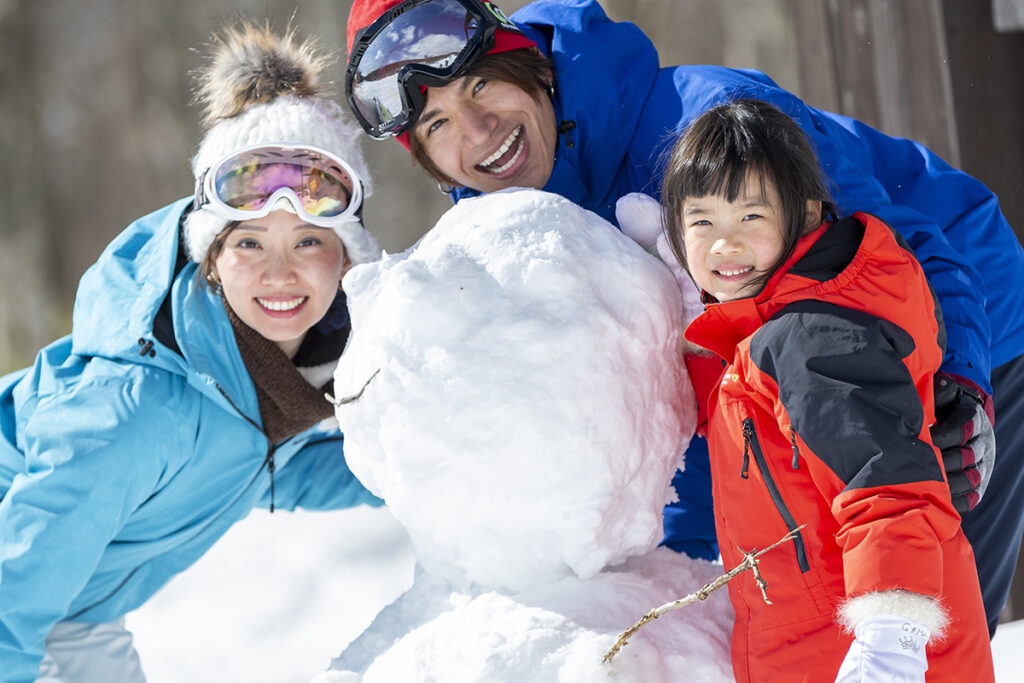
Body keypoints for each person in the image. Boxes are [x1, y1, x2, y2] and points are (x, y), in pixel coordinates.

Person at [342, 0, 1024, 634]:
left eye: (480, 88)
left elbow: (893, 250)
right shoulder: (508, 246)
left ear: (529, 63)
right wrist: (689, 567)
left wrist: (960, 385)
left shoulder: (709, 123)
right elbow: (678, 399)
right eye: (437, 125)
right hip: (789, 389)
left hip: (959, 328)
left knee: (923, 625)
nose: (476, 131)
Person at [0, 21, 383, 682]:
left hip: (73, 598)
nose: (280, 273)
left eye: (309, 242)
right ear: (210, 258)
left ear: (347, 257)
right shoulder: (141, 411)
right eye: (250, 243)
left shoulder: (265, 380)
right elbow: (17, 579)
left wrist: (416, 466)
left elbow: (267, 470)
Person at [663, 97, 993, 683]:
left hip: (871, 654)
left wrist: (890, 644)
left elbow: (886, 485)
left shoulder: (811, 339)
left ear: (808, 211)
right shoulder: (780, 332)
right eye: (702, 222)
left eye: (751, 218)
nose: (725, 245)